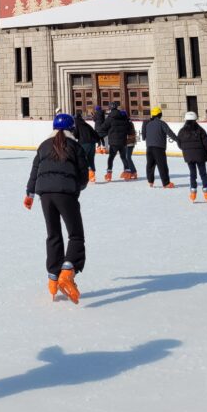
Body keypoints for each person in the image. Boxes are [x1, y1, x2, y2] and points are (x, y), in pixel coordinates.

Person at [24, 112, 89, 303]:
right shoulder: (74, 146)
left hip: (45, 195)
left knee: (53, 234)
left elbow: (35, 170)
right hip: (66, 193)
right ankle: (67, 272)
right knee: (75, 235)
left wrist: (29, 194)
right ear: (71, 129)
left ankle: (53, 279)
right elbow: (83, 174)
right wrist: (78, 186)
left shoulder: (44, 146)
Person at [177, 112, 207, 203]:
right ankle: (206, 192)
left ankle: (193, 193)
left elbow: (179, 143)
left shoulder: (182, 131)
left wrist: (186, 150)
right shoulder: (200, 130)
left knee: (192, 174)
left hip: (189, 156)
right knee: (203, 174)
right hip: (200, 155)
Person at [141, 106, 178, 188]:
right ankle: (166, 183)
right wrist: (178, 140)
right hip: (159, 148)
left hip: (149, 148)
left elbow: (143, 137)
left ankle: (150, 181)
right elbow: (170, 133)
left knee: (150, 165)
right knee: (162, 166)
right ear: (159, 114)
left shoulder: (147, 123)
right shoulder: (161, 123)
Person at [103, 103, 134, 181]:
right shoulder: (123, 117)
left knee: (111, 158)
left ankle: (109, 173)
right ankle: (127, 173)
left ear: (110, 108)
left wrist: (106, 131)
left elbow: (103, 127)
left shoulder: (110, 118)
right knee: (123, 157)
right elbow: (129, 129)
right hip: (123, 141)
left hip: (113, 142)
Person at [73, 111, 98, 182]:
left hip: (84, 143)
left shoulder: (76, 123)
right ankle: (92, 176)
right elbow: (94, 133)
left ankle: (86, 174)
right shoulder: (85, 124)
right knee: (91, 159)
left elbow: (75, 134)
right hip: (92, 143)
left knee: (82, 158)